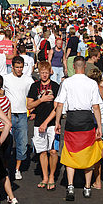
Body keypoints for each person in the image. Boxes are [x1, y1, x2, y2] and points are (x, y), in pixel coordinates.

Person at [54, 56, 103, 201]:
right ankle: (87, 187)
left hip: (72, 120)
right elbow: (96, 107)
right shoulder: (92, 83)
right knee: (88, 152)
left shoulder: (67, 82)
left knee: (70, 152)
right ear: (84, 67)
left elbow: (60, 104)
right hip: (87, 119)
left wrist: (57, 122)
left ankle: (70, 185)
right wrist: (99, 126)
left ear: (74, 67)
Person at [27, 61, 60, 190]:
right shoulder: (34, 87)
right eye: (42, 73)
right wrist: (41, 100)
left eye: (46, 72)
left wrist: (46, 123)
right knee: (42, 151)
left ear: (50, 72)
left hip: (51, 123)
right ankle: (45, 177)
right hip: (38, 123)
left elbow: (57, 108)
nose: (44, 75)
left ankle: (52, 176)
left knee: (53, 151)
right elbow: (29, 105)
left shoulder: (56, 86)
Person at [3, 55, 34, 180]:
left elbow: (33, 96)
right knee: (6, 143)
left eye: (21, 67)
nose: (19, 69)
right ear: (12, 67)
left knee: (22, 143)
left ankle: (17, 169)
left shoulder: (28, 80)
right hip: (7, 115)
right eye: (17, 67)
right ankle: (5, 168)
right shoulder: (6, 79)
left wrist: (32, 110)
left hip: (22, 114)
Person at [0, 74, 18, 204]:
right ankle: (6, 191)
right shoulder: (7, 100)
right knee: (4, 163)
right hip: (6, 135)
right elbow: (9, 118)